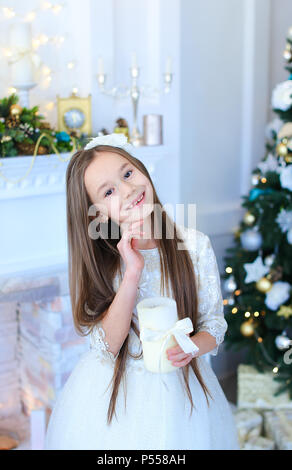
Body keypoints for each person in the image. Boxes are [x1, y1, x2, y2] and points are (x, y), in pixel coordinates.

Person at [44, 133, 240, 450]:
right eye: (108, 191)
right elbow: (106, 346)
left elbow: (214, 325)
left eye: (127, 173)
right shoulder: (106, 263)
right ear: (97, 213)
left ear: (141, 168)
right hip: (120, 400)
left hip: (185, 396)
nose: (127, 189)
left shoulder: (194, 246)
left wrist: (192, 347)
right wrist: (132, 272)